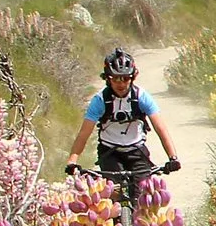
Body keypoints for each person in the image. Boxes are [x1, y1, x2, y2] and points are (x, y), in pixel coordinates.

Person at [63, 48, 184, 183]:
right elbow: (83, 134)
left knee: (143, 194)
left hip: (137, 151)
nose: (121, 83)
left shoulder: (142, 97)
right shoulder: (100, 100)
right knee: (112, 191)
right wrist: (72, 161)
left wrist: (173, 157)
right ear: (108, 78)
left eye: (125, 79)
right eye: (115, 79)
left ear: (133, 77)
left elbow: (161, 129)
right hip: (109, 152)